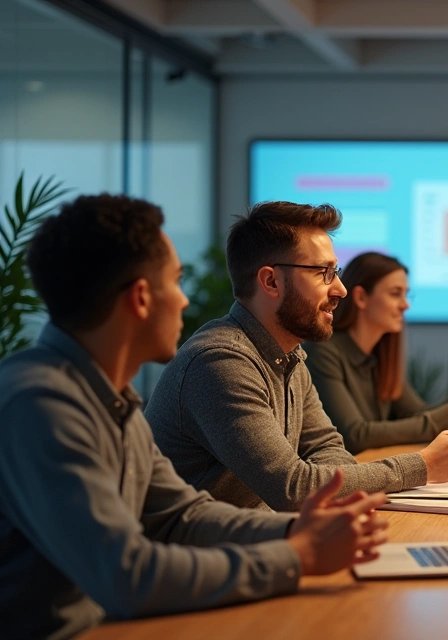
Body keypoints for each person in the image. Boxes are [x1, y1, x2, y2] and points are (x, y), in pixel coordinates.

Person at [0, 195, 390, 639]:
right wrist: (298, 556)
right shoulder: (41, 404)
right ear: (141, 298)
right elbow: (127, 575)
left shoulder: (110, 396)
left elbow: (181, 515)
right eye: (177, 281)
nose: (185, 302)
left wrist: (299, 532)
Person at [147, 201, 448, 511]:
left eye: (335, 272)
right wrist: (423, 466)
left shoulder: (289, 355)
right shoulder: (221, 362)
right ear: (271, 282)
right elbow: (293, 488)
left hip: (252, 547)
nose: (339, 289)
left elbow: (329, 447)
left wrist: (329, 483)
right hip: (202, 566)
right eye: (324, 273)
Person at [303, 252, 448, 454]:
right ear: (361, 297)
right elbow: (354, 435)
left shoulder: (379, 354)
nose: (405, 305)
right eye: (395, 294)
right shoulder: (323, 351)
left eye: (406, 294)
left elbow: (417, 415)